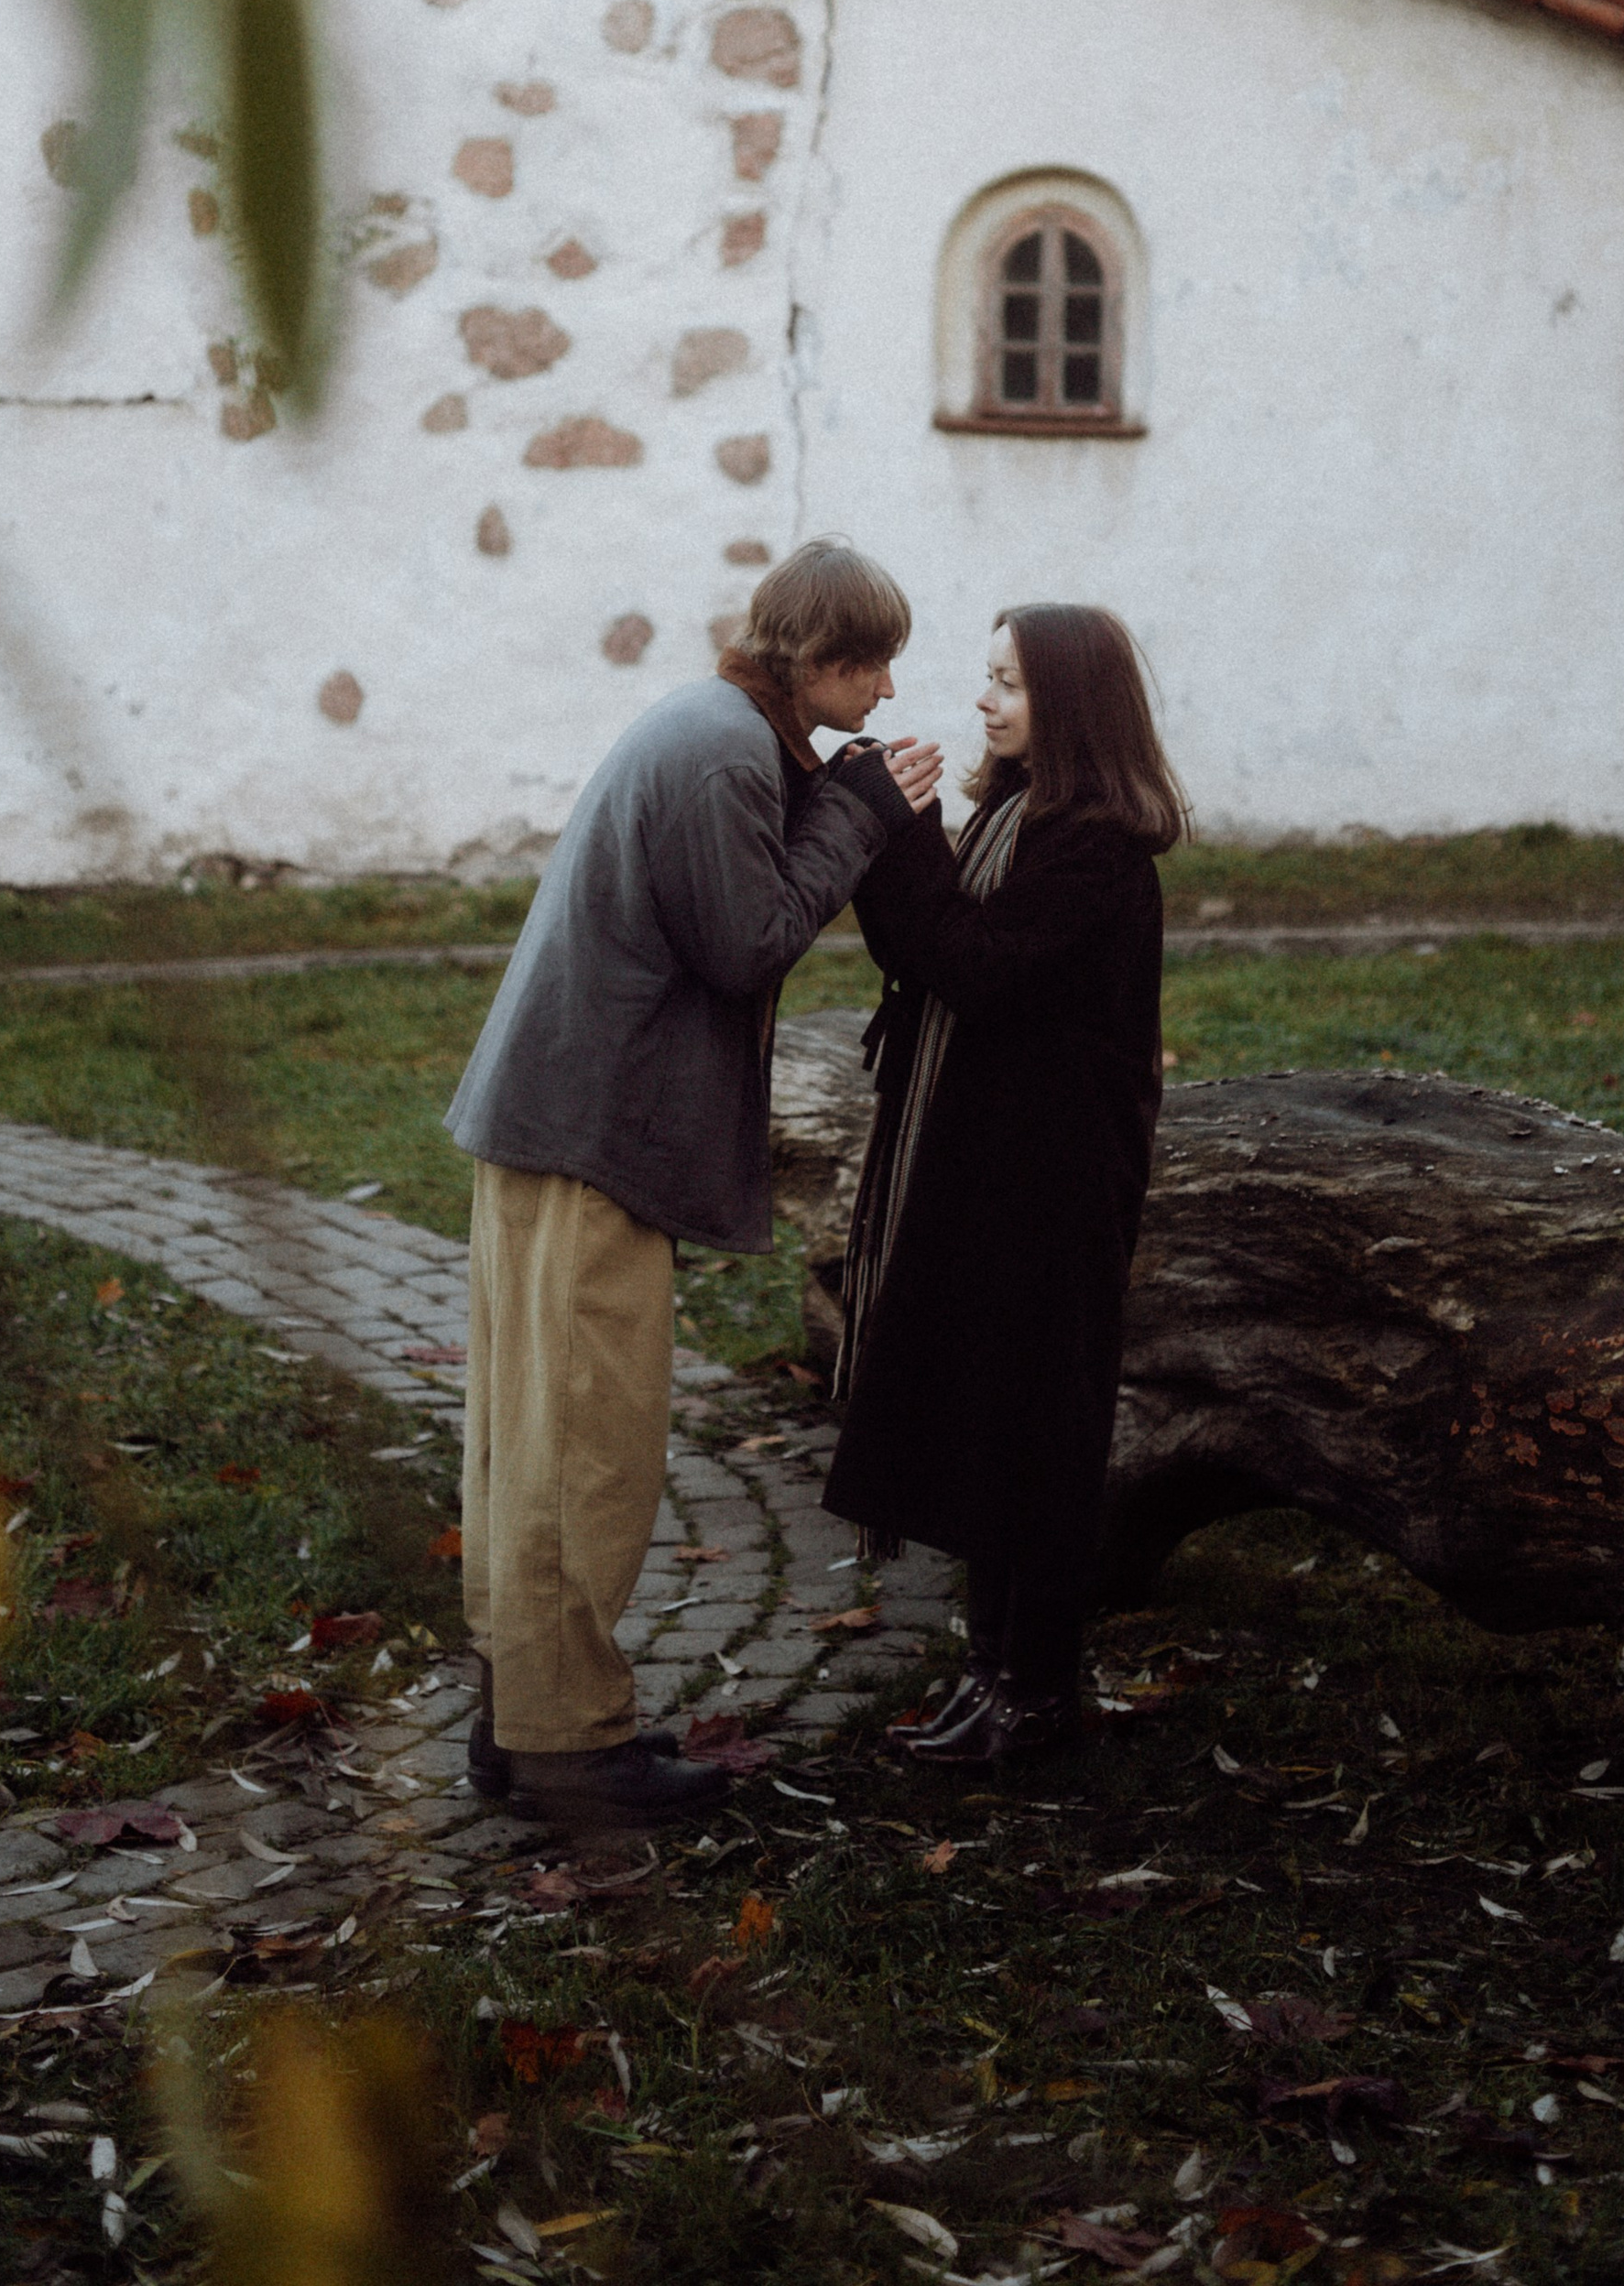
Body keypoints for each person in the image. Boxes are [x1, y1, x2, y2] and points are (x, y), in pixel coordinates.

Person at [445, 540, 936, 1834]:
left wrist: (835, 793)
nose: (887, 691)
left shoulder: (718, 726)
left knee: (525, 1432)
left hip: (553, 1116)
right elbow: (749, 943)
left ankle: (524, 1717)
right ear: (818, 661)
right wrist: (866, 812)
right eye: (871, 664)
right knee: (581, 1443)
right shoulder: (723, 746)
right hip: (588, 1134)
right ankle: (563, 1746)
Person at [823, 604, 1187, 1766]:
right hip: (991, 1165)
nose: (984, 701)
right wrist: (897, 828)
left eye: (1009, 684)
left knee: (1039, 1424)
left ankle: (1036, 1692)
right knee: (992, 1412)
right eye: (985, 678)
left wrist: (907, 827)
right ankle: (992, 1675)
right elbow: (929, 952)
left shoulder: (1092, 848)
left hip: (1053, 1182)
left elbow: (972, 968)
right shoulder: (1020, 821)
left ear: (1070, 706)